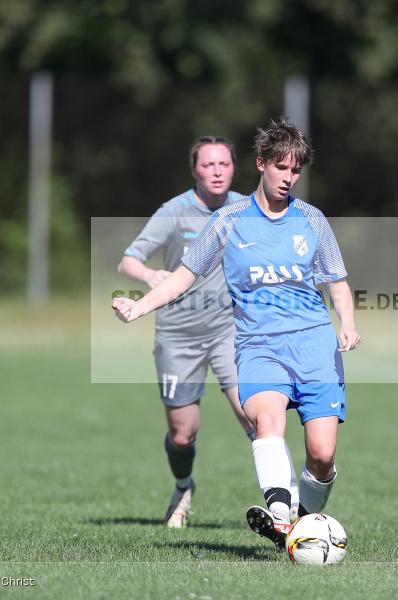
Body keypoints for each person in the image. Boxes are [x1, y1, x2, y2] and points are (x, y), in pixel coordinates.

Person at [113, 117, 360, 549]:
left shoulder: (312, 220)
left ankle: (303, 520)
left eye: (296, 170)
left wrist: (349, 325)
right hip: (259, 346)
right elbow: (183, 277)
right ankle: (280, 514)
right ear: (261, 163)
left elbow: (337, 283)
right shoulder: (228, 220)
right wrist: (138, 307)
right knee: (266, 421)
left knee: (322, 456)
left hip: (315, 345)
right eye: (281, 167)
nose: (289, 177)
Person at [117, 136, 258, 528]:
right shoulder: (174, 212)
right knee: (182, 435)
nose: (217, 172)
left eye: (224, 164)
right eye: (208, 165)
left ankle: (286, 503)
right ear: (194, 169)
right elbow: (128, 261)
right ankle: (183, 486)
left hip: (230, 331)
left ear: (234, 168)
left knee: (254, 418)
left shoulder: (247, 209)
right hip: (178, 334)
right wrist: (150, 275)